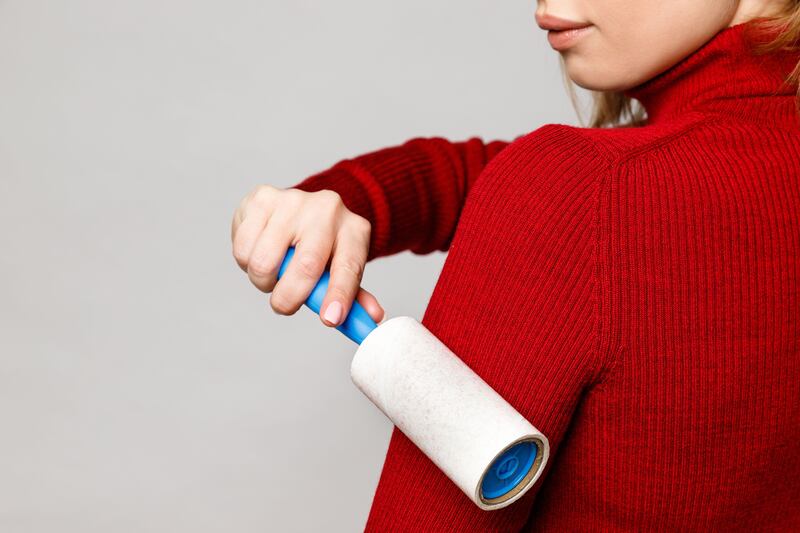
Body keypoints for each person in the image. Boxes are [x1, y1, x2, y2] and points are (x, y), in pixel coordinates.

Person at [230, 0, 800, 530]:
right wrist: (348, 198)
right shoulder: (603, 191)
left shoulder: (577, 194)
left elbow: (559, 196)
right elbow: (477, 175)